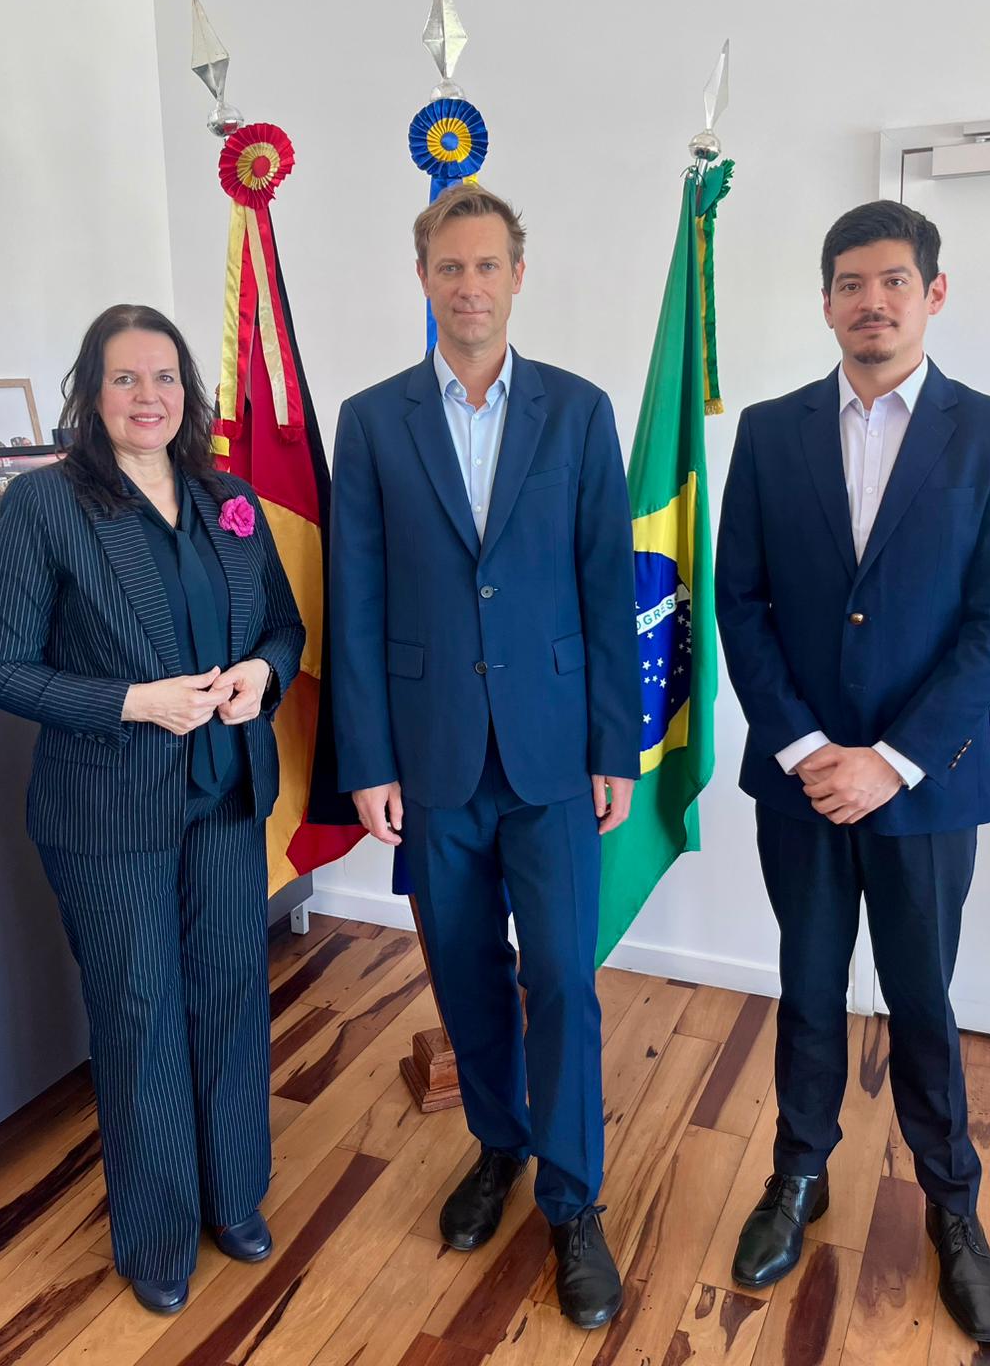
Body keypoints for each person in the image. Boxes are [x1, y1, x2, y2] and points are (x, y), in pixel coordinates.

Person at [714, 201, 990, 1346]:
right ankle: (798, 1174)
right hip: (801, 786)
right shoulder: (766, 430)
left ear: (933, 294)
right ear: (825, 301)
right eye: (851, 283)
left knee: (925, 1001)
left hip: (926, 787)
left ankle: (953, 1204)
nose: (873, 301)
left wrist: (893, 762)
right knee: (805, 988)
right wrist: (810, 750)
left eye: (895, 281)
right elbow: (740, 603)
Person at [329, 184, 640, 1331]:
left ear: (519, 276)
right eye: (449, 267)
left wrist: (617, 742)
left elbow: (609, 587)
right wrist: (368, 756)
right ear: (424, 279)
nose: (469, 285)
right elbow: (354, 599)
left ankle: (572, 1199)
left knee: (560, 977)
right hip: (432, 758)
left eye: (488, 266)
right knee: (465, 978)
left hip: (556, 754)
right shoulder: (371, 420)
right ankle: (499, 1146)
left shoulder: (578, 410)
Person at [0, 304, 305, 1315]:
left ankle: (232, 1195)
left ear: (189, 391)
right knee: (141, 1010)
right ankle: (157, 1233)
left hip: (224, 796)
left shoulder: (230, 498)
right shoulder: (47, 508)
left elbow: (284, 628)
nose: (148, 395)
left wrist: (259, 672)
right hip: (107, 811)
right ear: (91, 392)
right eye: (124, 378)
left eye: (164, 376)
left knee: (233, 990)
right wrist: (131, 702)